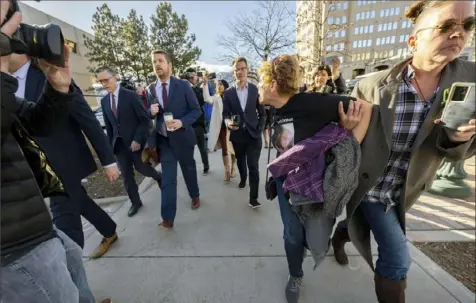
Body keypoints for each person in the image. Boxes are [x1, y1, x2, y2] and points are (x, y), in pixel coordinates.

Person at [330, 1, 476, 302]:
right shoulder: (371, 85)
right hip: (370, 187)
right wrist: (347, 130)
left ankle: (343, 233)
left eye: (468, 25)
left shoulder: (470, 80)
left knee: (363, 226)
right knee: (397, 259)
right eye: (446, 26)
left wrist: (458, 138)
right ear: (414, 40)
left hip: (405, 191)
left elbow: (457, 154)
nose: (458, 34)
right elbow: (345, 142)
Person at [0, 3, 111, 302]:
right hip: (13, 244)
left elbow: (38, 123)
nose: (12, 34)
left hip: (35, 219)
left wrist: (58, 88)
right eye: (6, 26)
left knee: (72, 256)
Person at [257, 54, 372, 303]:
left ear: (273, 84)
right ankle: (295, 274)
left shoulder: (312, 103)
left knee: (316, 238)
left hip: (313, 187)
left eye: (260, 82)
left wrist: (351, 143)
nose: (258, 87)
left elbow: (366, 108)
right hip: (285, 183)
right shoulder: (275, 108)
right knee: (292, 234)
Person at [8, 53, 120, 258]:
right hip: (27, 173)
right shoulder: (4, 84)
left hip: (61, 169)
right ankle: (109, 230)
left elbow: (86, 118)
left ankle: (74, 284)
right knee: (81, 202)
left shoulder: (50, 74)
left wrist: (109, 160)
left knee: (66, 232)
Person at [97, 66, 163, 218]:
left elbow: (144, 120)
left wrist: (137, 139)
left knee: (142, 168)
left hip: (135, 143)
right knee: (127, 176)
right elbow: (109, 127)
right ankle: (135, 202)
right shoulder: (104, 101)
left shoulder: (131, 96)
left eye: (106, 80)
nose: (104, 84)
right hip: (119, 146)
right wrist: (109, 150)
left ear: (115, 78)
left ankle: (158, 176)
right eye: (101, 82)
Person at [148, 49, 202, 228]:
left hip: (183, 138)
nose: (157, 64)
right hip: (165, 142)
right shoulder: (150, 89)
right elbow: (148, 116)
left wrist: (182, 122)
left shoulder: (183, 85)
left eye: (160, 61)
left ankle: (194, 195)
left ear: (169, 65)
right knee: (168, 181)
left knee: (189, 170)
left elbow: (196, 111)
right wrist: (150, 112)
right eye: (154, 61)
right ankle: (168, 218)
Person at [223, 56, 266, 209]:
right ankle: (243, 178)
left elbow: (263, 113)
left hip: (254, 135)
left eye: (243, 68)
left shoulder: (255, 90)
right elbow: (225, 114)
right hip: (237, 136)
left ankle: (253, 198)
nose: (240, 72)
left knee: (253, 165)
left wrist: (260, 128)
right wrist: (228, 123)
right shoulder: (228, 93)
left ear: (247, 70)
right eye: (237, 69)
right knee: (241, 161)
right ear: (233, 72)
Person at [202, 76, 237, 181]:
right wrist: (205, 84)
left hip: (231, 126)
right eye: (218, 84)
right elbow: (206, 98)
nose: (219, 86)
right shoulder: (216, 98)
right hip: (221, 127)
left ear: (225, 86)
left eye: (221, 84)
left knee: (233, 148)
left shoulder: (231, 97)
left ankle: (234, 167)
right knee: (225, 149)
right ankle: (227, 169)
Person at [184, 67, 210, 174]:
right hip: (190, 124)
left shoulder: (196, 88)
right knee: (190, 149)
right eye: (195, 75)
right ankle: (192, 168)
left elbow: (203, 100)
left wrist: (204, 86)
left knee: (202, 148)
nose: (196, 77)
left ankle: (206, 165)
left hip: (198, 124)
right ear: (190, 76)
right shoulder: (186, 89)